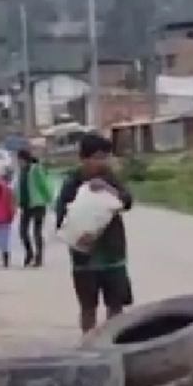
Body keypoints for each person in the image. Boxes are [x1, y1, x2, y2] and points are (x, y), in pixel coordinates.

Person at [55, 134, 135, 334]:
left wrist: (108, 188)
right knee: (88, 308)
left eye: (104, 157)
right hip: (85, 258)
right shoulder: (72, 182)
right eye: (97, 157)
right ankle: (89, 346)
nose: (102, 162)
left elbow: (127, 201)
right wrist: (79, 236)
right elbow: (61, 218)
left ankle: (114, 343)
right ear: (84, 158)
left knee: (115, 306)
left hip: (112, 254)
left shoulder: (109, 178)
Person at [15, 148, 54, 268]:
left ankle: (39, 257)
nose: (18, 162)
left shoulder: (36, 169)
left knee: (37, 232)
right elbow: (19, 188)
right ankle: (29, 253)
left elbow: (43, 184)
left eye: (19, 160)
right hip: (26, 205)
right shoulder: (21, 171)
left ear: (24, 159)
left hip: (38, 204)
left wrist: (49, 198)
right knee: (22, 232)